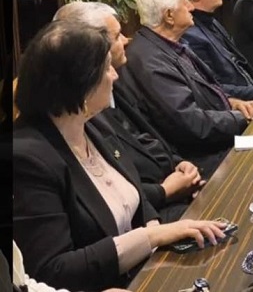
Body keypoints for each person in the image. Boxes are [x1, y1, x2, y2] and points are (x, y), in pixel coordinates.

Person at [13, 21, 227, 291]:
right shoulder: (26, 160)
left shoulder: (93, 122)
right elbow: (54, 270)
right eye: (106, 68)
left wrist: (160, 233)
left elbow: (135, 194)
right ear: (81, 83)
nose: (115, 75)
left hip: (150, 267)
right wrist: (152, 236)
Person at [53, 1, 203, 223]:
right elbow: (107, 192)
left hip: (165, 193)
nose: (126, 40)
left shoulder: (115, 82)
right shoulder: (81, 112)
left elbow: (147, 138)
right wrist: (164, 192)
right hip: (145, 213)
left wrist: (179, 164)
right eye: (117, 36)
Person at [123, 0, 253, 177]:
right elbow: (192, 124)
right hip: (201, 160)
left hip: (218, 141)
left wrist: (233, 103)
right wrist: (242, 118)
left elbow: (207, 90)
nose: (191, 7)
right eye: (185, 1)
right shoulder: (150, 61)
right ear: (169, 15)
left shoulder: (171, 44)